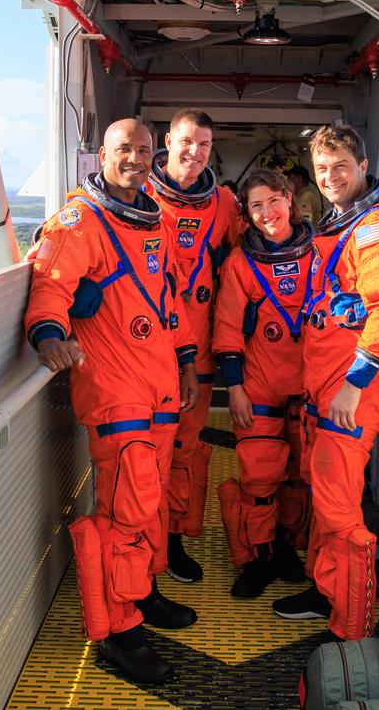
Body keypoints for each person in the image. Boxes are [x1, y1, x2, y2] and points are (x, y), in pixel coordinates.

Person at [23, 118, 201, 684]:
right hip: (115, 387)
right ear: (102, 154)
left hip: (158, 381)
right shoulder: (82, 220)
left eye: (144, 150)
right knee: (126, 510)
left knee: (150, 504)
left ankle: (142, 593)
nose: (135, 158)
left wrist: (185, 362)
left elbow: (166, 294)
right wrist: (49, 332)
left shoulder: (151, 217)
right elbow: (49, 282)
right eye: (123, 149)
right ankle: (119, 632)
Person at [271, 123, 379, 641]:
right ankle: (326, 589)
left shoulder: (375, 227)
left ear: (362, 165)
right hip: (326, 388)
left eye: (340, 167)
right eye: (322, 169)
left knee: (338, 509)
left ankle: (350, 626)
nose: (331, 177)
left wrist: (354, 386)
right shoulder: (343, 223)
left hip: (351, 392)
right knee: (326, 499)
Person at [144, 108, 242, 583]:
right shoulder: (136, 193)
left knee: (184, 451)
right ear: (168, 140)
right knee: (143, 454)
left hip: (197, 355)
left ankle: (174, 539)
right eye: (186, 141)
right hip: (144, 353)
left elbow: (251, 256)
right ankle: (141, 543)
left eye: (204, 145)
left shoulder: (223, 204)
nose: (194, 152)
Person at [212, 169, 312, 598]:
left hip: (309, 387)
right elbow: (228, 329)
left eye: (274, 200)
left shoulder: (321, 254)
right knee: (259, 481)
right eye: (256, 206)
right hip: (259, 387)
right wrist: (234, 388)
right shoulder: (241, 264)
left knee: (298, 478)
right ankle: (260, 555)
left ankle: (286, 545)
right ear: (247, 215)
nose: (267, 212)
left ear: (289, 199)